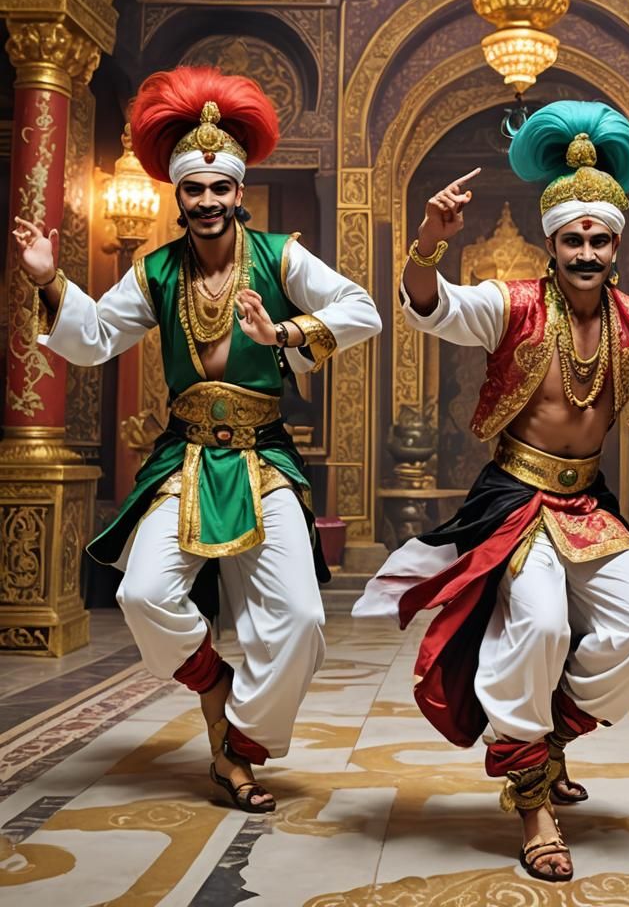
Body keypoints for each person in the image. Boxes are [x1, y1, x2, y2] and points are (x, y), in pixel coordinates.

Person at [13, 66, 382, 812]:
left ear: (238, 192)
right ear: (177, 197)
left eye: (220, 189)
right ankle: (215, 683)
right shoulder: (155, 270)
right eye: (193, 190)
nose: (207, 202)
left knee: (303, 619)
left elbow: (362, 310)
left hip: (261, 458)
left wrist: (281, 332)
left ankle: (239, 745)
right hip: (183, 457)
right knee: (145, 594)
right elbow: (89, 338)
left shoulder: (281, 256)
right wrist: (50, 281)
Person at [354, 101, 629, 881]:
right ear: (552, 242)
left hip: (587, 504)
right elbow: (430, 306)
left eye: (599, 239)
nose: (586, 250)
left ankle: (548, 737)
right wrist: (427, 246)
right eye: (573, 238)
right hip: (515, 497)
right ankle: (533, 799)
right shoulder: (510, 305)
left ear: (617, 246)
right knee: (539, 628)